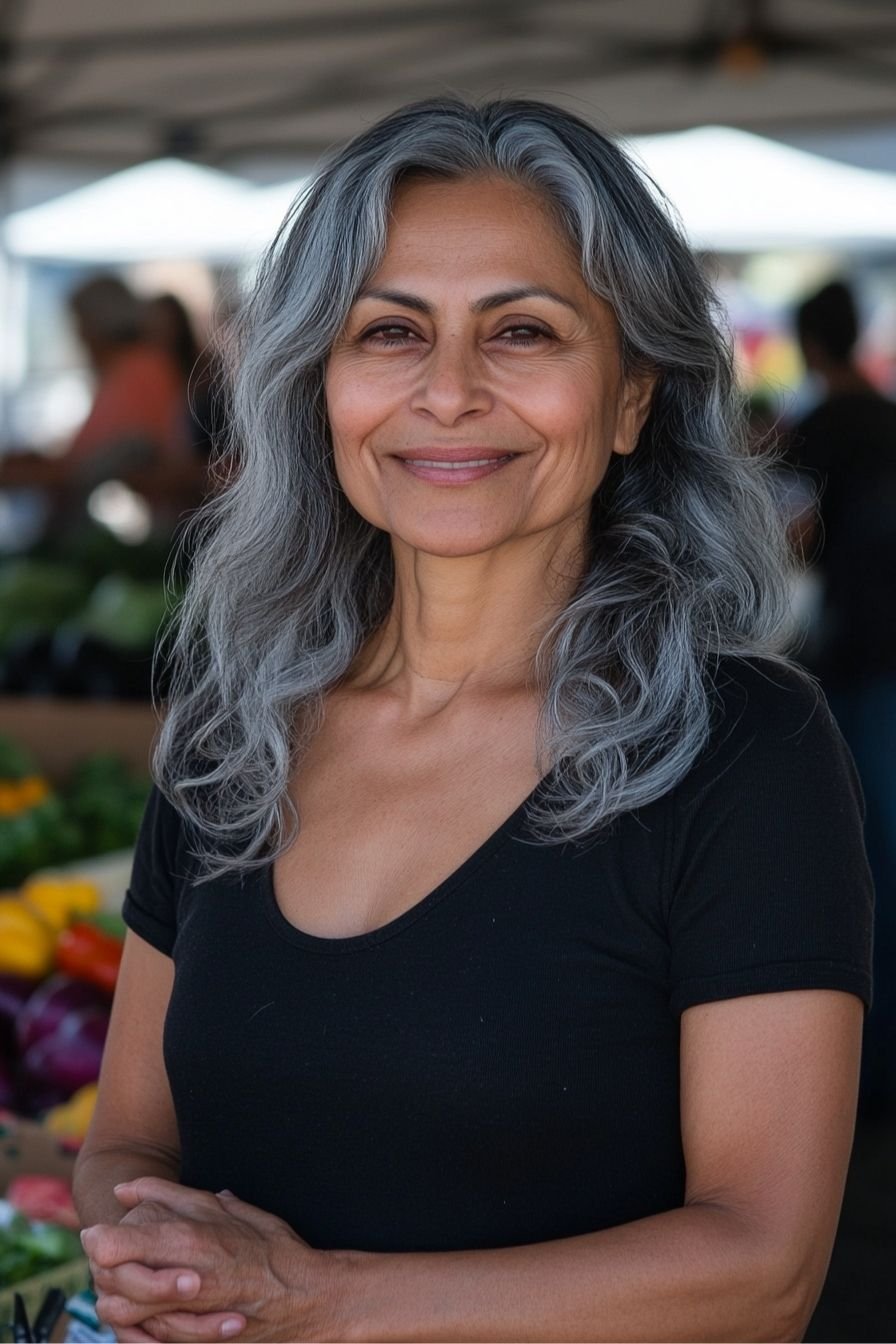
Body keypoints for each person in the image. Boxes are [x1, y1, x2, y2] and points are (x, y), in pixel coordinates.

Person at [73, 98, 872, 1344]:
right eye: (389, 331)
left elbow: (760, 1267)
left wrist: (323, 1305)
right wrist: (157, 1255)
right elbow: (127, 1137)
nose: (447, 391)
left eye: (522, 331)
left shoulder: (743, 752)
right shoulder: (234, 734)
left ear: (627, 401)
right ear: (319, 391)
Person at [789, 278, 896, 1119]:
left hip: (859, 660)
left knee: (859, 866)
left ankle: (867, 1073)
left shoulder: (821, 428)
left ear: (808, 344)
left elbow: (790, 535)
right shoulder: (887, 416)